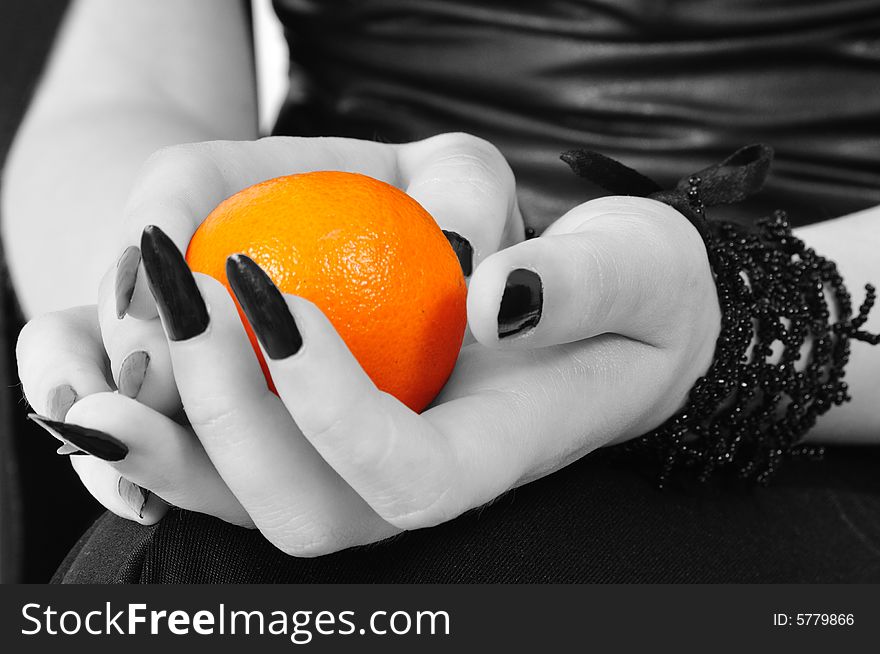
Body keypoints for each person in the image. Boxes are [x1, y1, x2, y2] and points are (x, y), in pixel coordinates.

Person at [3, 0, 880, 582]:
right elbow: (130, 83)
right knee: (199, 557)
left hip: (822, 395)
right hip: (342, 256)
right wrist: (147, 315)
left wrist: (733, 321)